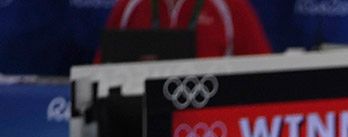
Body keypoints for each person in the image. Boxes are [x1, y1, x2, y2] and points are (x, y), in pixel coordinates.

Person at [98, 0, 271, 58]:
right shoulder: (130, 7)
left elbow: (264, 77)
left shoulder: (230, 7)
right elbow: (98, 76)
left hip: (214, 124)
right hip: (140, 124)